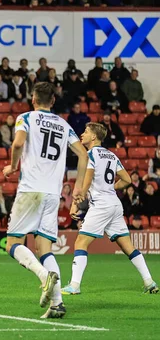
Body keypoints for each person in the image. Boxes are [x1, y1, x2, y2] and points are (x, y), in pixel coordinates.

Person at [2, 82, 89, 319]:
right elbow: (82, 153)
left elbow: (18, 143)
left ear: (32, 99)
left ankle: (44, 277)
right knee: (44, 248)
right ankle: (58, 303)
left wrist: (12, 165)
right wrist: (79, 186)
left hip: (31, 189)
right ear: (52, 101)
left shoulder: (26, 118)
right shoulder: (63, 124)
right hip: (53, 193)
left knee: (12, 243)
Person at [61, 123, 158, 295]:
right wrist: (111, 187)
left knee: (81, 243)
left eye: (86, 132)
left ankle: (74, 285)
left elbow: (88, 180)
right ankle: (149, 282)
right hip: (114, 204)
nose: (82, 134)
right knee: (127, 245)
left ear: (93, 137)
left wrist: (76, 202)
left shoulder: (90, 154)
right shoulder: (111, 155)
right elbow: (127, 179)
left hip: (101, 205)